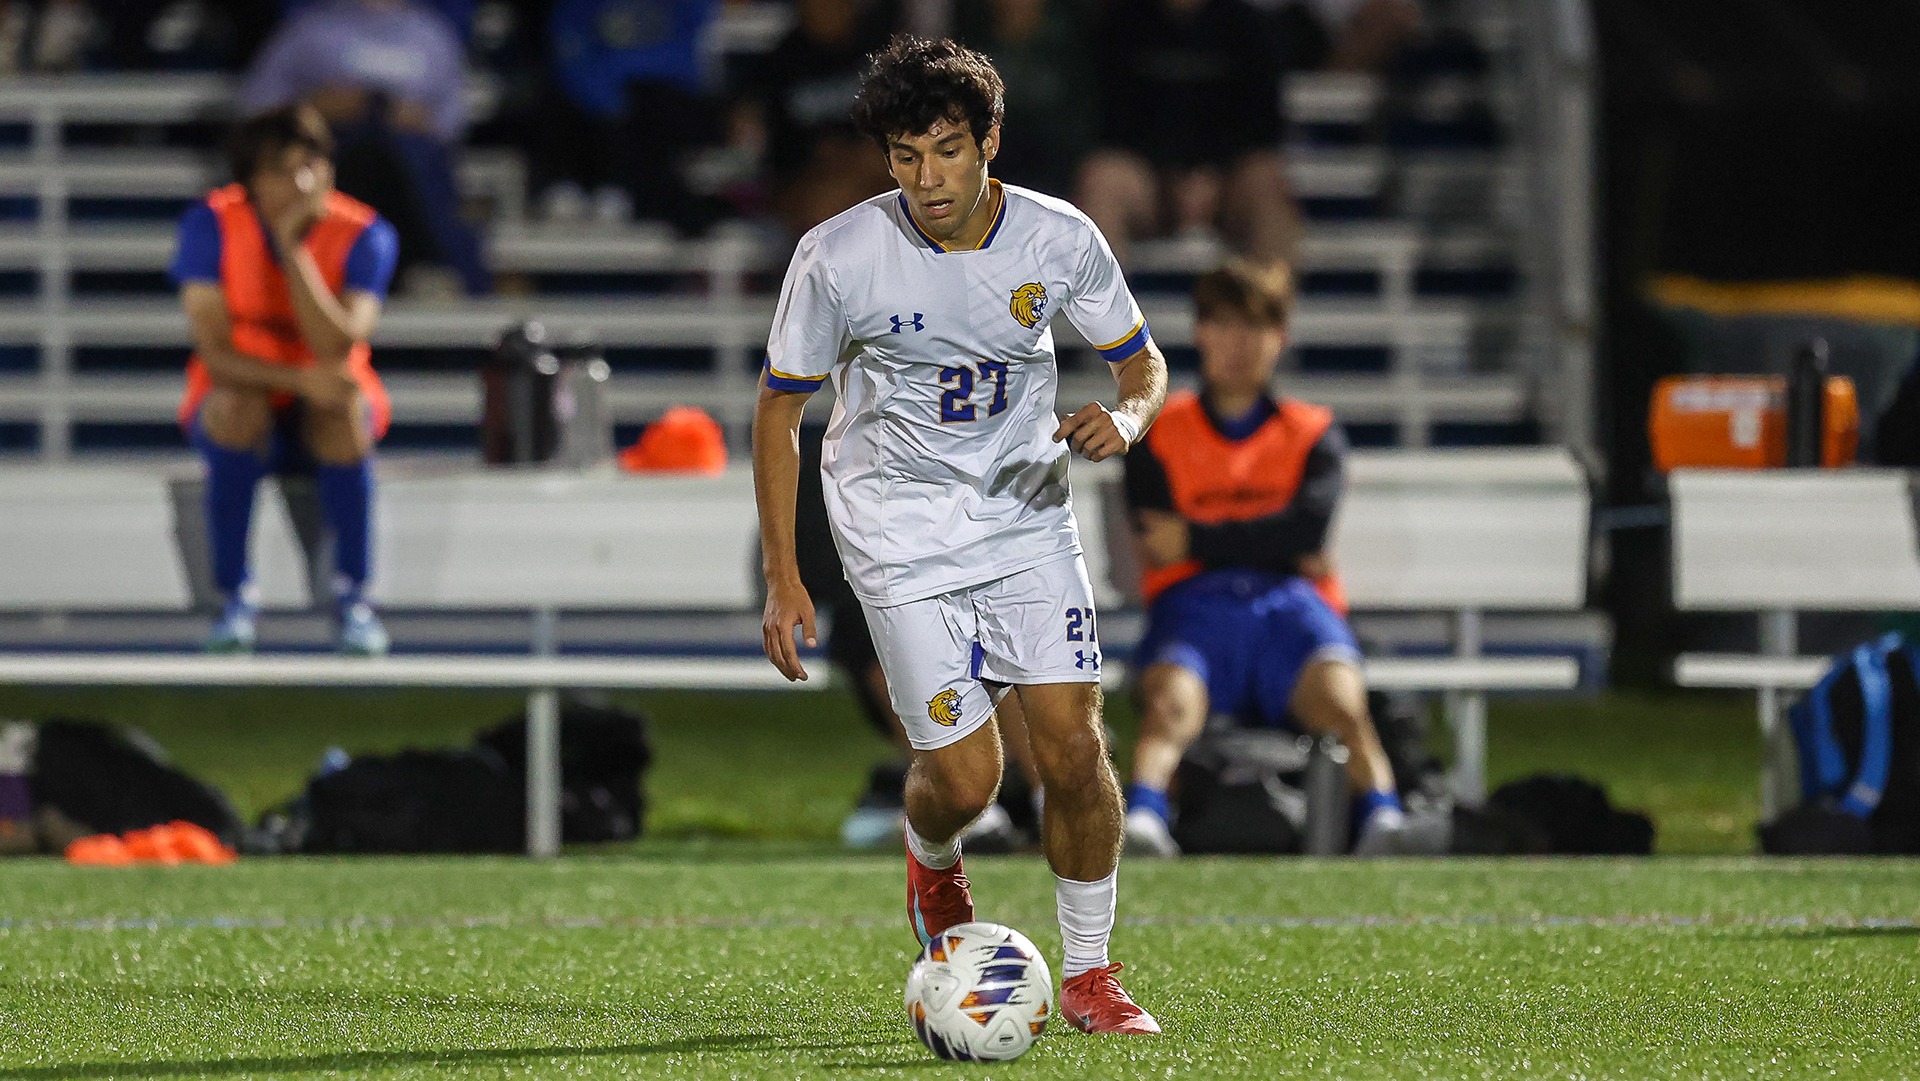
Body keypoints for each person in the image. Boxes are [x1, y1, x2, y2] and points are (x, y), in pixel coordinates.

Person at [752, 36, 1169, 1035]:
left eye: (944, 150)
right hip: (893, 532)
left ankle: (1091, 972)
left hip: (1024, 515)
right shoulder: (838, 256)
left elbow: (1142, 363)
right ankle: (933, 859)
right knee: (970, 780)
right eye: (904, 155)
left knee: (1072, 750)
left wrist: (1128, 417)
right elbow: (777, 412)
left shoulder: (1058, 239)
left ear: (990, 140)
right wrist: (784, 577)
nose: (925, 178)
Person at [1119, 260, 1405, 857]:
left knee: (1340, 697)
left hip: (1290, 606)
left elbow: (1305, 532)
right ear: (1200, 333)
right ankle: (1144, 818)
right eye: (1224, 326)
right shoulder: (1156, 432)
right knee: (1171, 701)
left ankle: (1384, 819)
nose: (1240, 345)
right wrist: (1272, 540)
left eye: (1255, 328)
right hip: (1194, 607)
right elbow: (1160, 541)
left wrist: (1197, 539)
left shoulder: (1313, 432)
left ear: (1281, 337)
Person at [170, 104, 397, 656]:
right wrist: (297, 381)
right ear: (250, 180)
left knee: (341, 408)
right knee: (235, 405)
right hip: (249, 399)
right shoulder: (211, 224)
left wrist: (295, 251)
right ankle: (235, 596)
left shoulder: (364, 233)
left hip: (328, 408)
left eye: (310, 166)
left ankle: (352, 597)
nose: (299, 183)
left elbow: (339, 343)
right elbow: (217, 355)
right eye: (279, 169)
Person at [240, 0, 491, 296]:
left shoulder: (430, 34)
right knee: (344, 159)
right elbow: (255, 103)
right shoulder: (311, 30)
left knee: (405, 158)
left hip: (412, 160)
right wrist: (315, 106)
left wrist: (413, 118)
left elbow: (453, 118)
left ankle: (422, 265)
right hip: (337, 153)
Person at [1075, 0, 1301, 267]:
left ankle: (1265, 305)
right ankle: (1104, 308)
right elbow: (1110, 120)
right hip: (1149, 180)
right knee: (1102, 179)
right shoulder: (1120, 24)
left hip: (1229, 180)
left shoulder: (1247, 25)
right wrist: (1172, 178)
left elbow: (1261, 123)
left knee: (1268, 182)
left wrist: (1211, 175)